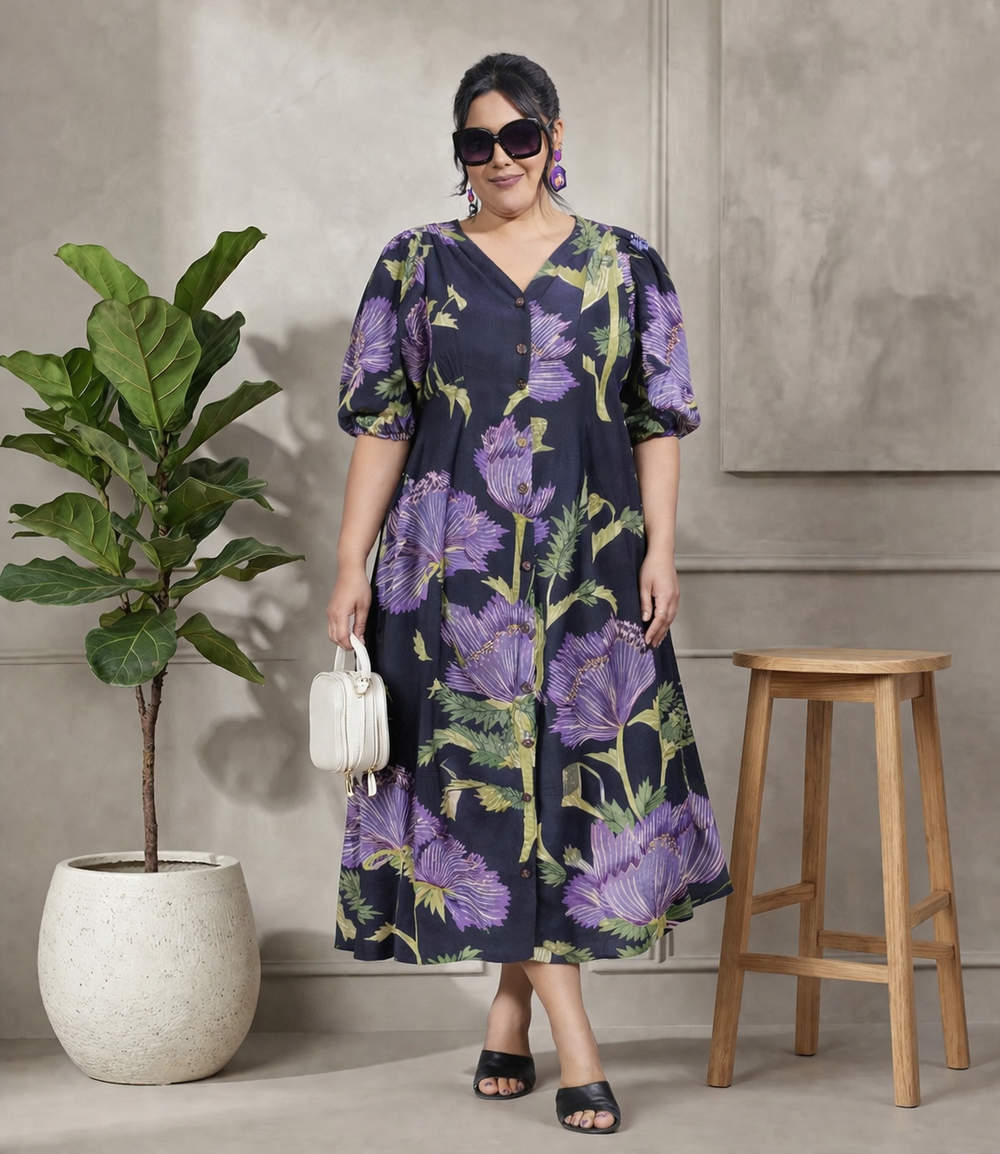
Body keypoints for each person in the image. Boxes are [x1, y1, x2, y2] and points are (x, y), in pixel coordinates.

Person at [327, 52, 731, 1135]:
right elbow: (383, 422)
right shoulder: (415, 263)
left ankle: (509, 1011)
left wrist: (662, 549)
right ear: (458, 153)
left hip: (592, 563)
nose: (500, 158)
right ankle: (579, 1047)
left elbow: (654, 418)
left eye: (519, 136)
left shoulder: (625, 264)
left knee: (562, 790)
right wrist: (350, 562)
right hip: (450, 573)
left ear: (555, 136)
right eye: (478, 141)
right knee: (492, 787)